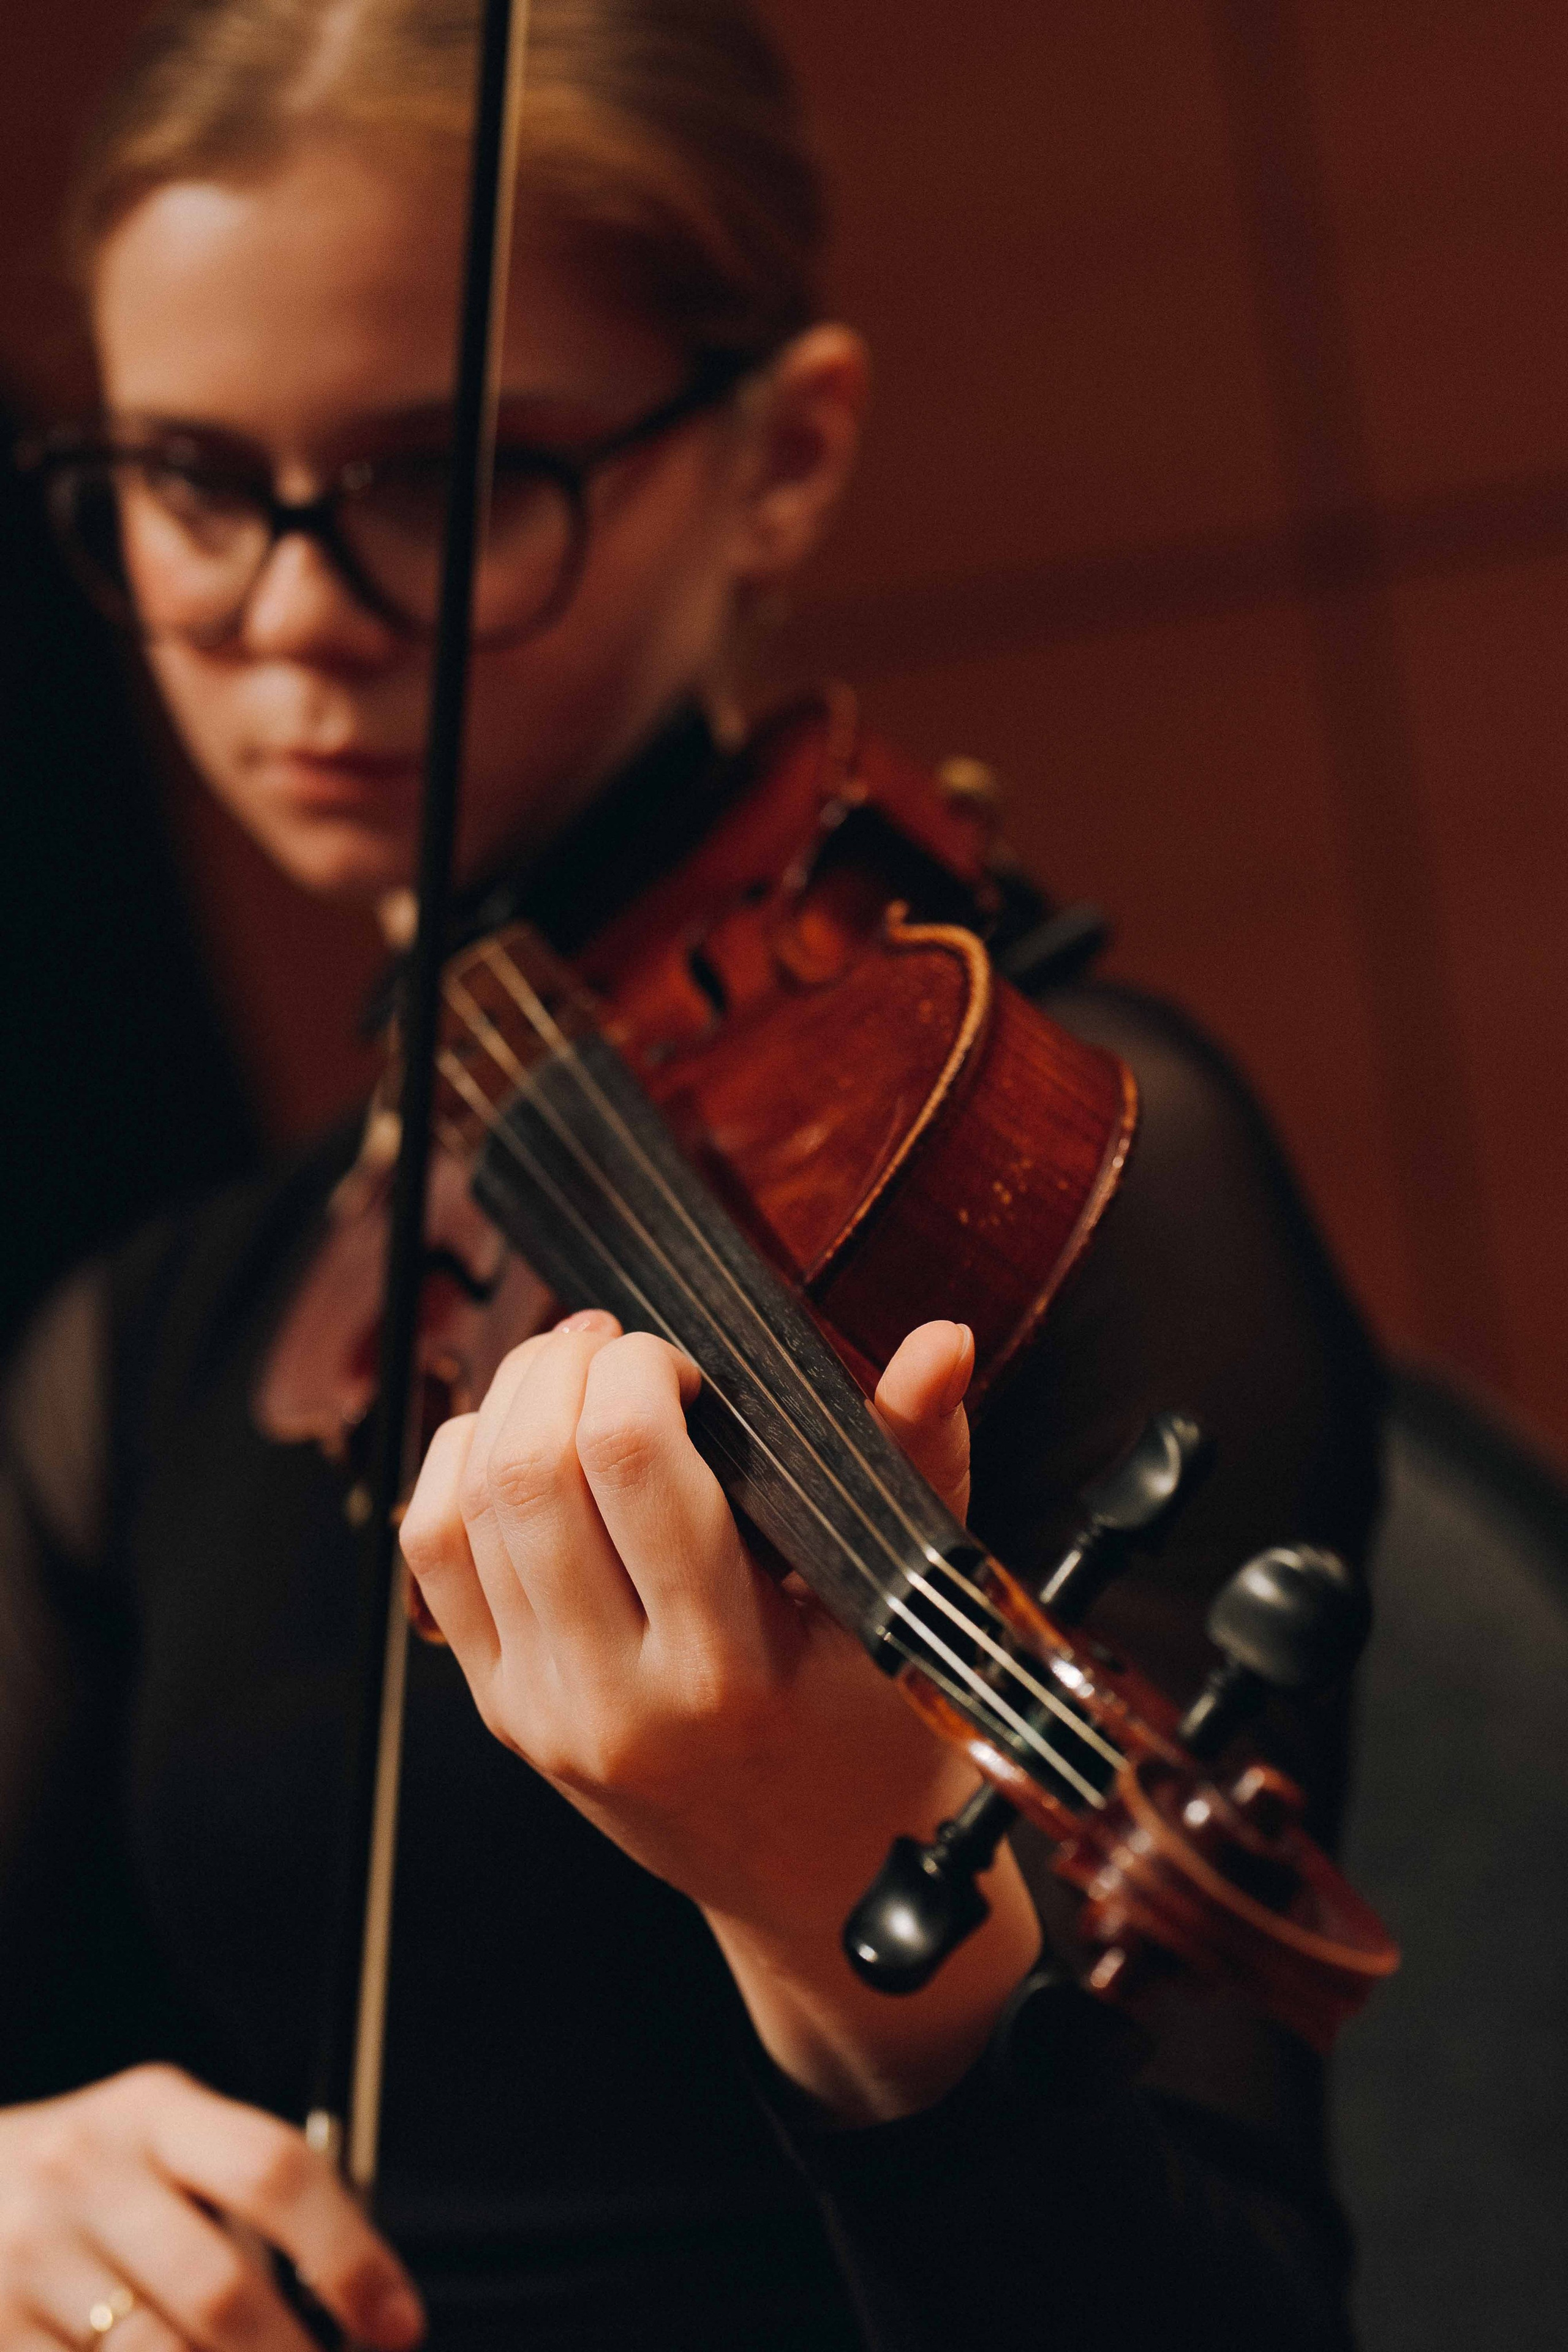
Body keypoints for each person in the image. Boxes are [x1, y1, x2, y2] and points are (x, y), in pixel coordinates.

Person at [0, 2, 1384, 2345]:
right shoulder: (150, 1351)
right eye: (194, 484)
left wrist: (841, 1919)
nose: (293, 615)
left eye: (447, 479)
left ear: (783, 453)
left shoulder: (1081, 1184)